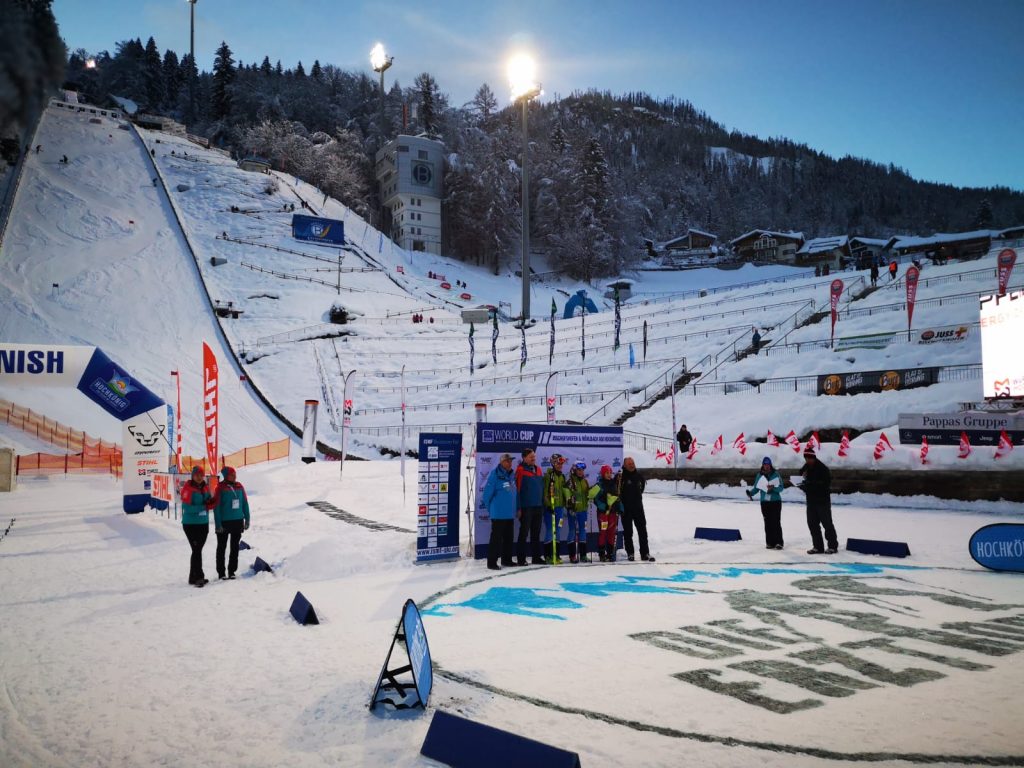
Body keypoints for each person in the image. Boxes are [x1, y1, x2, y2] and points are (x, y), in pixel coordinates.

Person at [211, 466, 250, 579]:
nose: (234, 476)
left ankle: (232, 571)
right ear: (226, 475)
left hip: (237, 521)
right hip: (224, 523)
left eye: (235, 474)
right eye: (231, 475)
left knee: (234, 548)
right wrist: (218, 524)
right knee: (221, 548)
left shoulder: (239, 486)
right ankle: (221, 572)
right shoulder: (220, 488)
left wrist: (247, 518)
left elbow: (245, 503)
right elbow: (216, 507)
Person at [796, 448, 837, 554]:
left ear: (814, 458)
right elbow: (800, 476)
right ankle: (818, 547)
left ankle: (832, 546)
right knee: (812, 524)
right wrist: (801, 479)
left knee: (827, 524)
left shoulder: (823, 469)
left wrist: (808, 484)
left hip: (822, 501)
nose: (808, 460)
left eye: (809, 458)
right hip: (811, 501)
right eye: (806, 458)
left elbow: (824, 485)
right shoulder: (806, 467)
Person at [481, 453, 517, 570]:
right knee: (496, 540)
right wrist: (492, 509)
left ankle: (506, 560)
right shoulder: (494, 475)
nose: (510, 463)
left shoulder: (511, 475)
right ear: (501, 463)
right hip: (498, 514)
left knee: (508, 538)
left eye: (511, 461)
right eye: (507, 461)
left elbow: (514, 493)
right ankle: (491, 562)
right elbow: (486, 495)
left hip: (509, 514)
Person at [180, 466, 213, 587]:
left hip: (203, 523)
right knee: (197, 550)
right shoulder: (188, 489)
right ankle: (199, 577)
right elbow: (186, 508)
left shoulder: (205, 486)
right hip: (190, 524)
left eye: (201, 475)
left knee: (197, 550)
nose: (199, 477)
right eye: (197, 475)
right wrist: (203, 507)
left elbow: (208, 500)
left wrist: (211, 502)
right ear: (192, 476)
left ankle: (192, 577)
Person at [619, 457, 654, 561]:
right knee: (628, 532)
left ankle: (645, 553)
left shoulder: (639, 476)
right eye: (629, 463)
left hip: (638, 508)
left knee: (643, 531)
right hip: (626, 510)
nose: (631, 465)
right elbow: (617, 492)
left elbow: (641, 489)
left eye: (632, 463)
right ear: (624, 465)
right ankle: (630, 553)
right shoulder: (621, 478)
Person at [746, 456, 784, 550]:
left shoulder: (776, 474)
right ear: (762, 465)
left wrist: (773, 489)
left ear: (770, 465)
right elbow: (756, 488)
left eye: (768, 465)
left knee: (776, 522)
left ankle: (779, 542)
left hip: (775, 502)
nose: (766, 466)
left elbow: (781, 488)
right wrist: (750, 493)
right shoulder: (759, 475)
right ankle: (770, 542)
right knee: (767, 522)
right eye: (765, 465)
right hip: (765, 503)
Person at [515, 448, 545, 565]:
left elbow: (541, 489)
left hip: (538, 506)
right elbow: (517, 491)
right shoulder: (520, 470)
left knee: (536, 534)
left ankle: (536, 557)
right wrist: (518, 508)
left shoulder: (538, 470)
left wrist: (542, 504)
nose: (533, 458)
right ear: (524, 457)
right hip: (526, 507)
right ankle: (521, 559)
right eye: (531, 456)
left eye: (534, 456)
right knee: (524, 533)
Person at [589, 465, 623, 562]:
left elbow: (617, 497)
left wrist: (620, 508)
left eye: (610, 473)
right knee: (603, 533)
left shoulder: (614, 484)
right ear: (603, 474)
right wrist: (603, 507)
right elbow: (596, 499)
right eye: (607, 473)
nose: (609, 475)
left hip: (612, 513)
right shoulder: (599, 485)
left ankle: (610, 552)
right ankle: (601, 553)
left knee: (611, 533)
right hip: (603, 513)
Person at [542, 453, 568, 563]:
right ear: (553, 463)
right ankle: (548, 555)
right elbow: (545, 493)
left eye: (561, 463)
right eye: (558, 463)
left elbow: (564, 492)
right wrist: (548, 505)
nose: (560, 465)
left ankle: (556, 555)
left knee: (558, 530)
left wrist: (566, 502)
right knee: (549, 530)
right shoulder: (548, 476)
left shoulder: (562, 476)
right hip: (550, 508)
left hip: (560, 508)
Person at [565, 461, 591, 563]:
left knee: (583, 531)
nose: (581, 472)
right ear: (574, 470)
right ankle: (572, 556)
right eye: (579, 470)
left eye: (582, 470)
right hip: (573, 511)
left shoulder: (585, 481)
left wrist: (590, 495)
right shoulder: (570, 481)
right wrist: (569, 507)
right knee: (572, 531)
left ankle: (583, 555)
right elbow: (566, 496)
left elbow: (587, 494)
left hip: (583, 511)